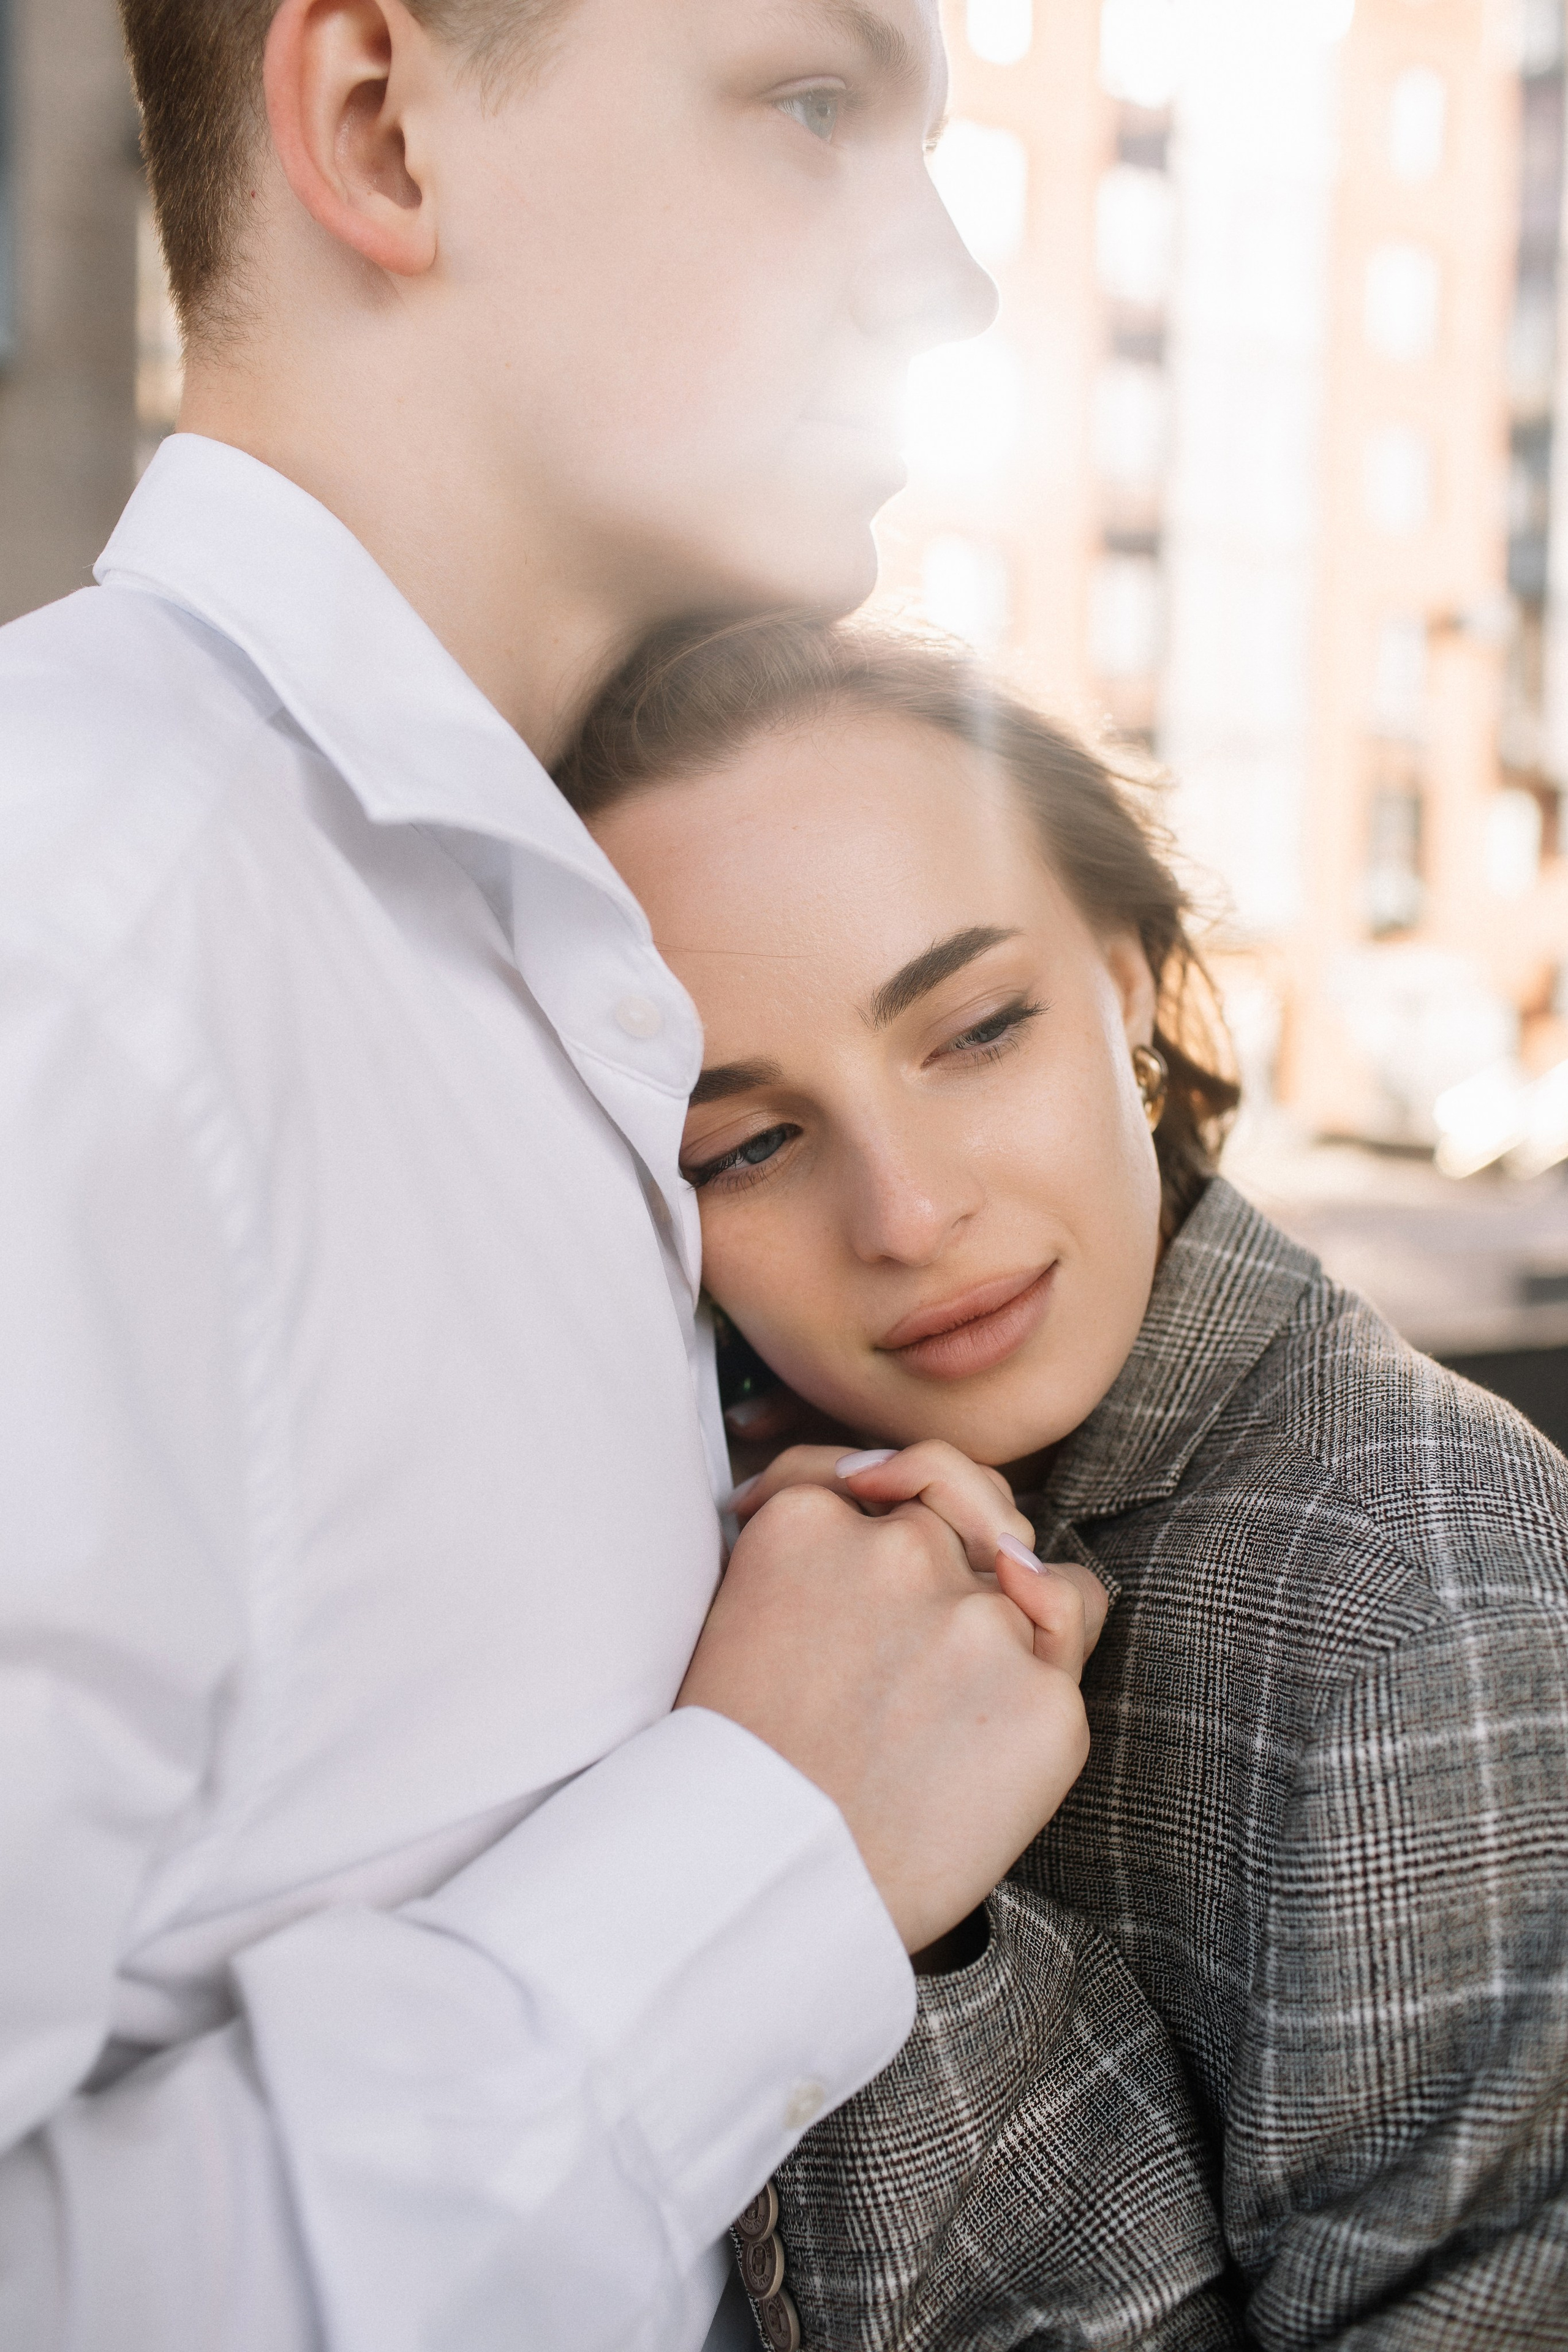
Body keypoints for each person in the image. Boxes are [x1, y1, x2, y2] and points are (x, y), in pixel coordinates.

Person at [0, 5, 1233, 2347]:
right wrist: (768, 1855)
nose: (953, 278)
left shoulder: (550, 965)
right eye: (813, 104)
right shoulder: (74, 975)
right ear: (382, 125)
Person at [562, 611, 1568, 2350]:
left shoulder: (1424, 1603)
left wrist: (889, 1923)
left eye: (976, 1030)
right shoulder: (712, 1523)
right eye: (749, 1144)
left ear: (1129, 979)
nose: (907, 1214)